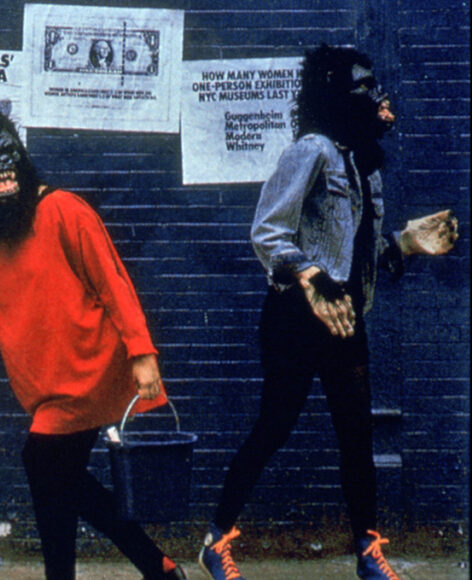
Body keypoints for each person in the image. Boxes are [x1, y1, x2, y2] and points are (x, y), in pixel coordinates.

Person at [197, 45, 459, 580]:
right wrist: (310, 276)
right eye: (364, 87)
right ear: (336, 94)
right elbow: (268, 231)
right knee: (274, 427)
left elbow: (356, 256)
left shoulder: (363, 167)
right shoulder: (311, 151)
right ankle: (214, 540)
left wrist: (405, 244)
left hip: (343, 318)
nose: (377, 96)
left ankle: (367, 552)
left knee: (357, 436)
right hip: (296, 318)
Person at [0, 107, 186, 580]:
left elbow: (114, 283)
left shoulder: (64, 210)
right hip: (46, 386)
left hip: (90, 370)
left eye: (7, 154)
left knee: (42, 464)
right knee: (56, 485)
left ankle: (147, 565)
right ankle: (157, 567)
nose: (1, 169)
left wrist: (143, 354)